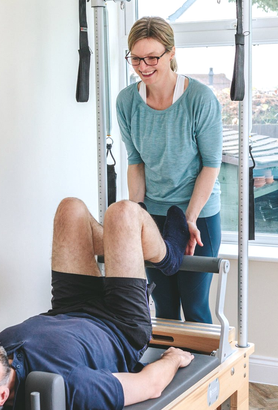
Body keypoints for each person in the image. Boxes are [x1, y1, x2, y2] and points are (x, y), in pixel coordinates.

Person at [0, 198, 195, 410]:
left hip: (68, 307)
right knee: (123, 213)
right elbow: (149, 385)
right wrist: (172, 358)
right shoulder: (67, 388)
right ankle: (167, 255)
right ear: (2, 396)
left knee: (71, 210)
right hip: (119, 324)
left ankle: (132, 236)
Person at [116, 16, 223, 324]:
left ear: (171, 53)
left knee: (194, 306)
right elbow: (135, 162)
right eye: (136, 58)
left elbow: (211, 165)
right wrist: (137, 215)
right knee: (162, 307)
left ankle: (205, 374)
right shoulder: (127, 102)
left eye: (152, 57)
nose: (143, 65)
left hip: (198, 214)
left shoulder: (199, 99)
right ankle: (167, 371)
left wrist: (189, 218)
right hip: (155, 215)